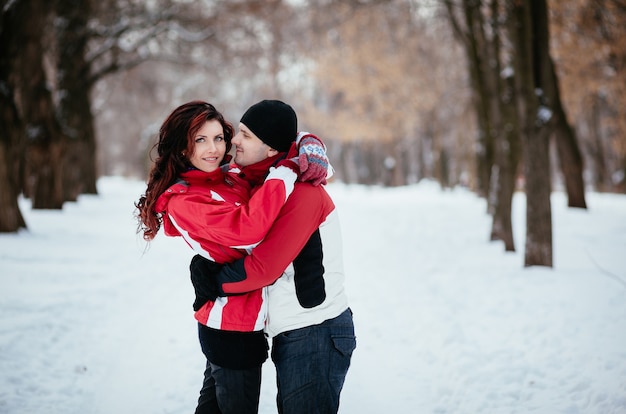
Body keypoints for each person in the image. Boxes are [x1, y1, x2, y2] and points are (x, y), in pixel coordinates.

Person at [134, 100, 329, 414]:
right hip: (230, 326)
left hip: (246, 321)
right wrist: (288, 169)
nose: (213, 149)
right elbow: (248, 230)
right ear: (183, 149)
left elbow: (278, 144)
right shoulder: (184, 199)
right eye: (200, 140)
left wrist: (309, 145)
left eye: (218, 138)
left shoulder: (229, 176)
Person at [191, 99, 356, 414]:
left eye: (245, 135)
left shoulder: (303, 192)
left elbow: (263, 269)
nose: (234, 141)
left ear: (270, 150)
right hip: (290, 331)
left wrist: (214, 281)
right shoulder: (263, 182)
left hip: (316, 333)